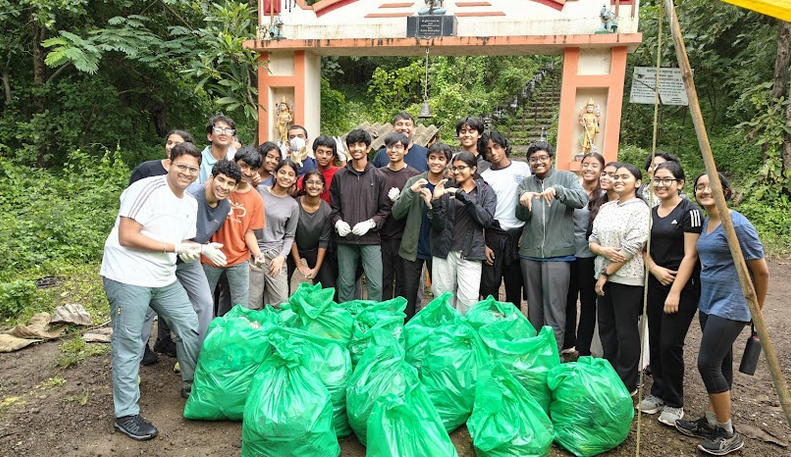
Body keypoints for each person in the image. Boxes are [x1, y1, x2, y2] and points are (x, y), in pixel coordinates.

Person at [100, 142, 204, 441]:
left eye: (193, 169)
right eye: (181, 166)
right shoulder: (146, 189)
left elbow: (183, 241)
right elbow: (127, 235)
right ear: (169, 163)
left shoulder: (190, 203)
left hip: (163, 277)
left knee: (189, 325)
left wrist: (199, 249)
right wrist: (175, 247)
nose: (186, 172)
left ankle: (191, 385)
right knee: (129, 342)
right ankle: (126, 414)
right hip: (128, 275)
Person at [675, 173, 768, 456]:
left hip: (732, 304)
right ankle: (712, 420)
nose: (704, 190)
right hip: (709, 302)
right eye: (699, 186)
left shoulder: (736, 224)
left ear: (725, 191)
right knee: (721, 362)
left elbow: (761, 271)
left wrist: (756, 310)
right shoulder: (707, 222)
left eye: (711, 186)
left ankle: (727, 432)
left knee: (707, 363)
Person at [139, 158, 240, 366]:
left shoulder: (224, 206)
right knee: (147, 308)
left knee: (205, 303)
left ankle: (198, 356)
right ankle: (137, 355)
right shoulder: (190, 196)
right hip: (162, 255)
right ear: (211, 177)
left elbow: (203, 233)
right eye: (221, 180)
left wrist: (202, 248)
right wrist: (188, 247)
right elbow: (164, 230)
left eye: (230, 183)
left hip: (189, 259)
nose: (224, 187)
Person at [639, 161, 703, 426]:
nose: (661, 184)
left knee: (670, 344)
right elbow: (644, 249)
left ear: (680, 183)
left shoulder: (690, 211)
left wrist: (675, 291)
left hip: (682, 288)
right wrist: (654, 269)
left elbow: (692, 255)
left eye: (667, 179)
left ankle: (675, 402)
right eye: (657, 179)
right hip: (655, 283)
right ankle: (658, 392)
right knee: (655, 340)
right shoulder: (651, 212)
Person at [128, 129, 194, 364]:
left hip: (170, 256)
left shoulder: (189, 192)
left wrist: (190, 248)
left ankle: (164, 341)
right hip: (143, 254)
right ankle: (140, 349)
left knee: (170, 304)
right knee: (143, 308)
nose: (172, 146)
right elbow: (129, 227)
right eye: (170, 142)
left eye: (179, 143)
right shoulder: (147, 172)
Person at [516, 141, 587, 348]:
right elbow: (520, 216)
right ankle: (535, 350)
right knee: (534, 306)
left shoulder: (566, 178)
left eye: (542, 158)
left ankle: (553, 351)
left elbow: (581, 199)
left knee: (555, 306)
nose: (538, 162)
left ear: (550, 159)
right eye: (533, 159)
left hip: (559, 253)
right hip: (530, 252)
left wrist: (558, 191)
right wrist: (523, 202)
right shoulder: (525, 184)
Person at [589, 164, 650, 394]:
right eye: (616, 176)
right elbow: (592, 238)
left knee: (626, 331)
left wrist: (606, 274)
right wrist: (602, 250)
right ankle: (610, 374)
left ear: (637, 183)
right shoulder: (606, 208)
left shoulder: (641, 209)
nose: (618, 180)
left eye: (625, 176)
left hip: (627, 279)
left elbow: (632, 247)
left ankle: (627, 382)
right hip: (602, 276)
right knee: (607, 328)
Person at [429, 151, 497, 314]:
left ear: (473, 169)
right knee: (443, 301)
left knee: (468, 301)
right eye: (454, 168)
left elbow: (486, 220)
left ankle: (463, 331)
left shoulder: (485, 191)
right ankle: (446, 331)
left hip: (470, 252)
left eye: (462, 168)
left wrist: (463, 197)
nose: (457, 171)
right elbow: (438, 224)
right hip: (444, 251)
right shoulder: (446, 188)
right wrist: (436, 201)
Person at [202, 147, 266, 316]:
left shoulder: (256, 198)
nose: (247, 172)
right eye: (243, 166)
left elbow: (249, 232)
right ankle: (207, 331)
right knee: (204, 302)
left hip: (239, 258)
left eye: (252, 169)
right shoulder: (219, 188)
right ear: (234, 162)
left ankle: (234, 332)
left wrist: (257, 253)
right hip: (210, 256)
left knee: (240, 304)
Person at [392, 142, 452, 318]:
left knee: (440, 294)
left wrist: (433, 204)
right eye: (432, 158)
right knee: (408, 295)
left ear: (447, 162)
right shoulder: (415, 181)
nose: (436, 162)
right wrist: (410, 192)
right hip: (413, 246)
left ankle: (437, 328)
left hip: (438, 248)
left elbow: (445, 222)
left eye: (441, 159)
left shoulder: (449, 185)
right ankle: (407, 328)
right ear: (427, 160)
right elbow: (396, 213)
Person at [330, 128, 390, 302]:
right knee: (346, 285)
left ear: (368, 148)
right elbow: (334, 208)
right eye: (352, 145)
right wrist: (338, 222)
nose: (356, 148)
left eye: (360, 145)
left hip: (370, 239)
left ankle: (373, 317)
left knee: (375, 285)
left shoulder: (379, 176)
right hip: (345, 240)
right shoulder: (339, 176)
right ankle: (345, 317)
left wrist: (371, 223)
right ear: (348, 148)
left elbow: (385, 209)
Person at [479, 130, 531, 305]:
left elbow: (532, 202)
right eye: (488, 150)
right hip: (494, 234)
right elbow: (481, 213)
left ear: (504, 146)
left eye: (496, 147)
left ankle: (513, 320)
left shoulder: (522, 168)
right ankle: (489, 320)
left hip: (517, 235)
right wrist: (484, 244)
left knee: (514, 286)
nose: (493, 153)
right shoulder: (485, 177)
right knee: (489, 287)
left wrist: (526, 233)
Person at [563, 152, 604, 359]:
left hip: (590, 256)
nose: (589, 168)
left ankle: (583, 346)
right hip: (568, 252)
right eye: (585, 164)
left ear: (601, 169)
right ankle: (567, 342)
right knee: (568, 300)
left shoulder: (605, 194)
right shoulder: (573, 189)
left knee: (588, 302)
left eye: (594, 165)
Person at [377, 131, 421, 301]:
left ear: (406, 150)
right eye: (390, 147)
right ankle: (384, 314)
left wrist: (401, 199)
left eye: (398, 147)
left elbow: (416, 208)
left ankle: (402, 315)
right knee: (384, 280)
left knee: (404, 282)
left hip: (405, 237)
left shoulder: (414, 176)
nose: (393, 150)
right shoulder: (378, 174)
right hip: (382, 235)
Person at [250, 159, 299, 308]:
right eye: (282, 172)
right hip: (253, 251)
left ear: (295, 179)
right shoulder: (259, 191)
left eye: (290, 174)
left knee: (281, 301)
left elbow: (289, 236)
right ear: (275, 174)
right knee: (252, 301)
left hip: (275, 254)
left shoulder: (293, 205)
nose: (286, 177)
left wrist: (282, 257)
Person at [288, 169, 336, 291]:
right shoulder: (294, 205)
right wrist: (299, 265)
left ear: (323, 188)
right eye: (310, 182)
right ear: (304, 186)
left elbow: (324, 241)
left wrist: (316, 269)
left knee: (329, 286)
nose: (314, 186)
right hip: (292, 248)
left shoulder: (327, 210)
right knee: (281, 281)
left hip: (315, 250)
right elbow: (291, 236)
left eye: (318, 183)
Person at [129, 130, 194, 185]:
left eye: (177, 144)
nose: (171, 147)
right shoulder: (146, 169)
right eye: (169, 143)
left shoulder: (191, 174)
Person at [296, 135, 341, 203]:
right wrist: (293, 165)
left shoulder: (340, 174)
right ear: (314, 153)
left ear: (333, 156)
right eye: (320, 152)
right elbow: (293, 191)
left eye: (328, 153)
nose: (324, 156)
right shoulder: (308, 177)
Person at [198, 115, 237, 184]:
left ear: (232, 139)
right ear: (210, 136)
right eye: (218, 130)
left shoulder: (234, 161)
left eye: (228, 130)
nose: (223, 133)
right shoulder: (199, 160)